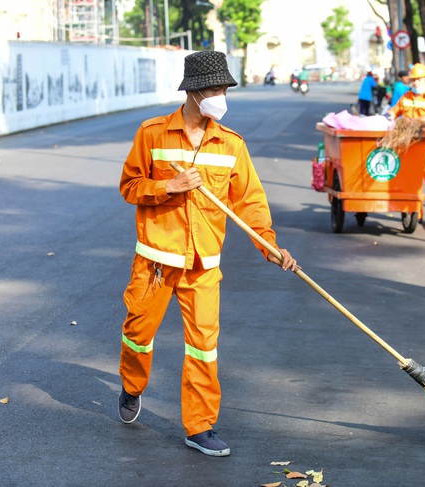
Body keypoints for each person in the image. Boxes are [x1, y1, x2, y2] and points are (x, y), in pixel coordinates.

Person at [118, 50, 298, 457]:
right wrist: (169, 186)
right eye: (215, 88)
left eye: (224, 88)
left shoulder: (231, 145)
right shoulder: (153, 134)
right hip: (156, 263)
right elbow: (129, 186)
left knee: (203, 346)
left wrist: (268, 244)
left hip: (203, 266)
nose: (222, 96)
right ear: (195, 92)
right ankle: (131, 385)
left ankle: (199, 426)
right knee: (138, 335)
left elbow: (249, 202)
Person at [386, 63, 425, 228]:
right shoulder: (406, 98)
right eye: (413, 80)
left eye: (419, 80)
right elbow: (394, 110)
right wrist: (388, 116)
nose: (415, 83)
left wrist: (413, 122)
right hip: (409, 149)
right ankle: (415, 212)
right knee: (412, 183)